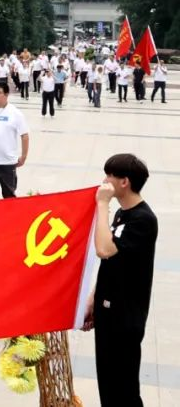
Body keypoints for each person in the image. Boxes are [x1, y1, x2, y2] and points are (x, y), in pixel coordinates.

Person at [82, 154, 157, 407]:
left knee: (124, 389)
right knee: (108, 385)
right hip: (107, 310)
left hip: (125, 317)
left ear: (124, 182)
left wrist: (102, 204)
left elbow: (104, 249)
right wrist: (93, 298)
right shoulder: (121, 214)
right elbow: (111, 263)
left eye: (110, 176)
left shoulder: (143, 219)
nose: (105, 180)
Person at [0, 83, 29, 199]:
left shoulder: (15, 113)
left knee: (9, 195)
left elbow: (24, 135)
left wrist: (23, 156)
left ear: (7, 94)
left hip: (7, 162)